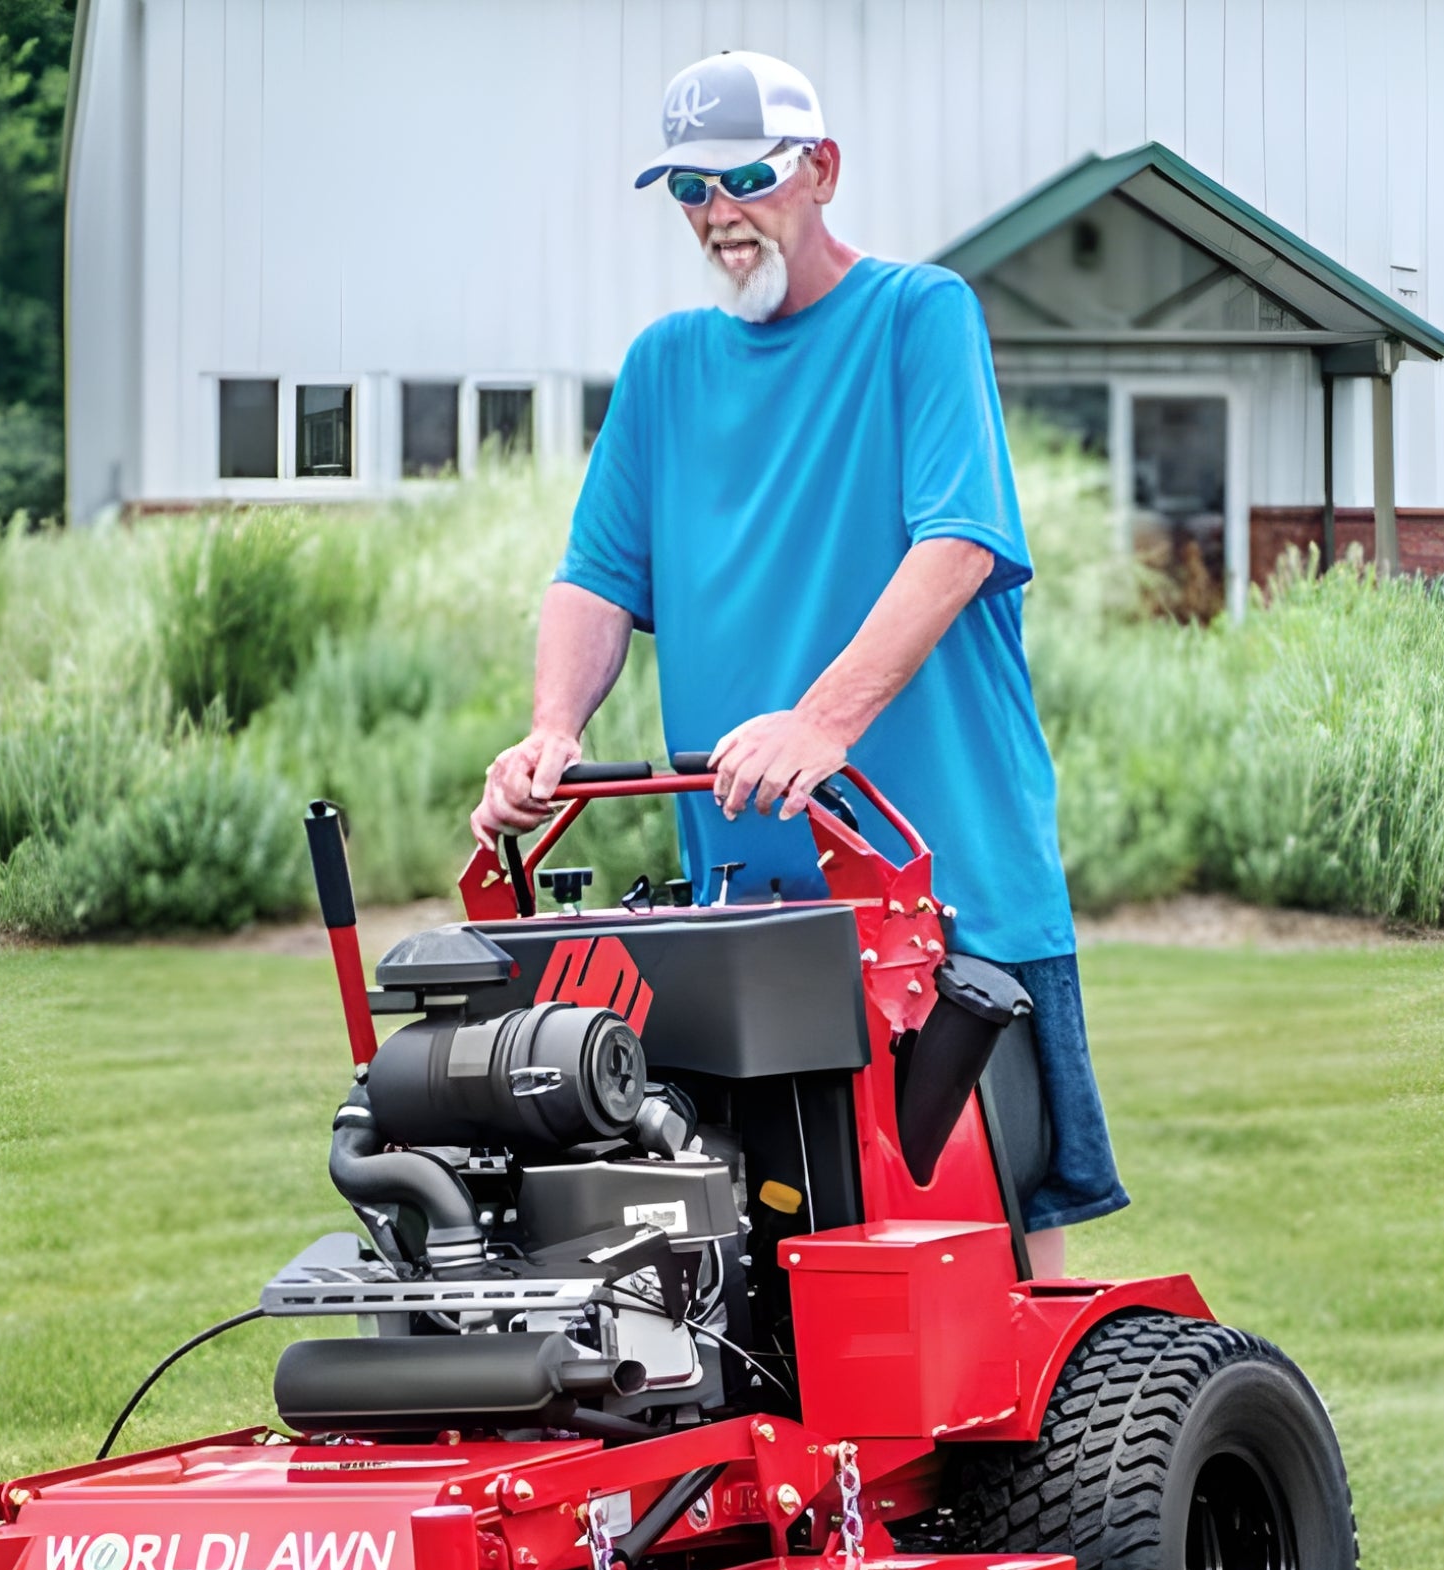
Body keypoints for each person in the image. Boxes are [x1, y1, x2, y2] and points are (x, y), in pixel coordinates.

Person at [471, 49, 1126, 1277]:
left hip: (941, 896)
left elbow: (955, 545)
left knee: (991, 1248)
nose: (719, 214)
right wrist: (551, 729)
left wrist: (820, 723)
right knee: (762, 1257)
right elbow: (594, 576)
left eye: (746, 179)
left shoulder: (916, 316)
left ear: (820, 169)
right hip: (744, 914)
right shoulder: (665, 365)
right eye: (688, 190)